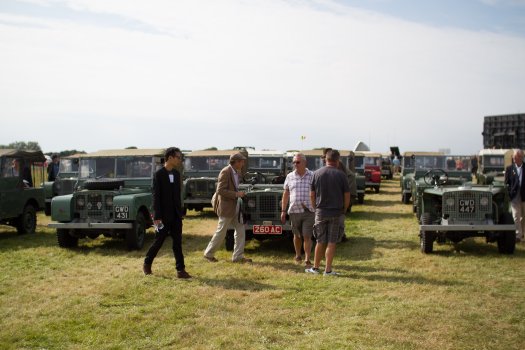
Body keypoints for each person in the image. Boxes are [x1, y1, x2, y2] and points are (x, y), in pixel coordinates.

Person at [143, 147, 191, 278]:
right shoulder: (158, 175)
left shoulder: (176, 174)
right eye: (178, 157)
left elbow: (177, 195)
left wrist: (180, 212)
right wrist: (157, 217)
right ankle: (147, 263)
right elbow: (155, 196)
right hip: (162, 217)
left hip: (176, 216)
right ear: (170, 158)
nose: (180, 160)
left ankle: (180, 270)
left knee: (177, 243)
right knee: (158, 241)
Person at [306, 149, 350, 276]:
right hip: (336, 213)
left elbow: (312, 195)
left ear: (326, 159)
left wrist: (315, 208)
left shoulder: (316, 174)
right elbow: (347, 196)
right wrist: (344, 210)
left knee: (320, 241)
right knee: (331, 242)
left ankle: (315, 268)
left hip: (320, 212)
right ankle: (328, 270)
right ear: (337, 160)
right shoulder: (341, 175)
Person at [203, 152, 252, 263]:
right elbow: (220, 190)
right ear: (236, 162)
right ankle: (208, 254)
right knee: (221, 232)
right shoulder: (225, 172)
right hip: (226, 207)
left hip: (235, 206)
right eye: (242, 161)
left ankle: (238, 257)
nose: (243, 163)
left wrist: (239, 193)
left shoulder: (236, 172)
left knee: (240, 230)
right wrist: (236, 194)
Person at [281, 152, 315, 267]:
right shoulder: (289, 176)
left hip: (309, 211)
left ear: (305, 163)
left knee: (306, 235)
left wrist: (315, 207)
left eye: (298, 162)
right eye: (294, 162)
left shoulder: (312, 175)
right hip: (294, 211)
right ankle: (298, 255)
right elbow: (286, 194)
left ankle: (307, 259)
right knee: (297, 235)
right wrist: (283, 211)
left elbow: (317, 193)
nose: (295, 164)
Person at [504, 149, 525, 243]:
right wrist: (509, 193)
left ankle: (523, 232)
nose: (514, 159)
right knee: (516, 216)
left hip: (524, 195)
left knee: (523, 217)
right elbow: (506, 183)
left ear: (521, 157)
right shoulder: (509, 168)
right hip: (514, 196)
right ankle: (518, 235)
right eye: (513, 157)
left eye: (516, 157)